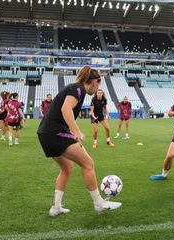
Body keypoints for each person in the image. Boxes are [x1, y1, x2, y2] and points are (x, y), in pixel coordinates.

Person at [37, 66, 121, 217]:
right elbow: (65, 109)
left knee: (67, 168)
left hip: (45, 133)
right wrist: (76, 131)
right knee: (88, 164)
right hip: (55, 132)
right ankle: (99, 203)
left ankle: (56, 207)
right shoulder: (78, 89)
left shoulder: (76, 89)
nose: (97, 90)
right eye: (98, 85)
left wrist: (71, 131)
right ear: (95, 81)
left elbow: (62, 113)